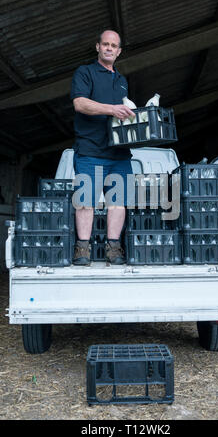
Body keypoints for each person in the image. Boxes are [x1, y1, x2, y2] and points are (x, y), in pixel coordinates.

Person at [70, 29, 135, 265]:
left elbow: (125, 113)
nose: (109, 48)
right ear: (98, 47)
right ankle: (83, 250)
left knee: (118, 203)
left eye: (113, 45)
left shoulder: (122, 80)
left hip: (119, 153)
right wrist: (111, 109)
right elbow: (80, 103)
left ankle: (114, 249)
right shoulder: (85, 72)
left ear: (119, 51)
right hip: (90, 150)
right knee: (85, 201)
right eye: (105, 44)